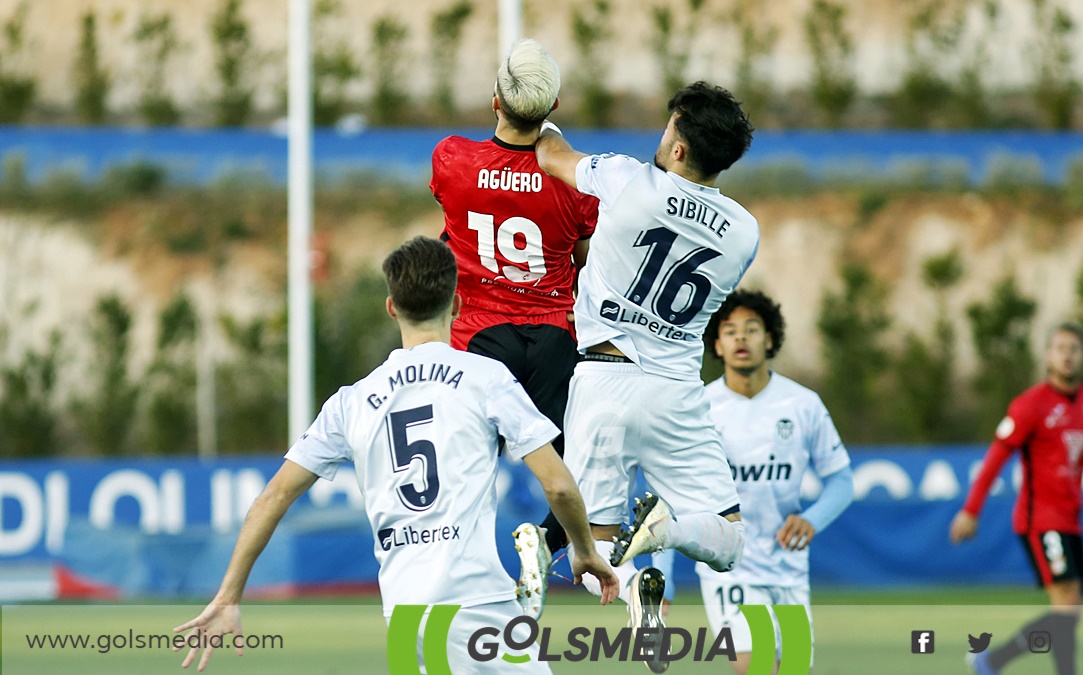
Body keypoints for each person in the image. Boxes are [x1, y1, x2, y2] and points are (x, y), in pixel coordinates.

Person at [173, 237, 617, 673]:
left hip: (404, 618)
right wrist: (583, 548)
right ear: (458, 305)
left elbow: (270, 500)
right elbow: (557, 484)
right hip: (476, 605)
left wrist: (228, 596)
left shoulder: (351, 400)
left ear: (391, 307)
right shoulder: (486, 379)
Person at [536, 81, 758, 670]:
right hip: (676, 392)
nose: (661, 138)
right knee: (730, 543)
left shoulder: (628, 180)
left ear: (680, 148)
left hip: (603, 382)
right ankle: (666, 534)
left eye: (670, 128)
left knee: (595, 554)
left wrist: (544, 112)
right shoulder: (744, 232)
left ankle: (635, 588)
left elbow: (550, 155)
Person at [429, 38, 598, 619]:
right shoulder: (574, 181)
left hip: (478, 338)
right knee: (569, 467)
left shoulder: (452, 159)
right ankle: (549, 547)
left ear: (494, 98)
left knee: (467, 472)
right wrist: (555, 146)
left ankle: (461, 581)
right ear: (553, 109)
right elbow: (582, 252)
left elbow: (455, 217)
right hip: (553, 334)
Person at [950, 322, 1083, 675]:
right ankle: (996, 662)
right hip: (1039, 518)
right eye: (1060, 348)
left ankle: (991, 660)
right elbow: (997, 455)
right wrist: (971, 510)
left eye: (1074, 348)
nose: (1067, 355)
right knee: (1067, 606)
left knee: (1070, 613)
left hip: (1071, 518)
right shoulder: (1031, 405)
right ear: (1047, 356)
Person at [700, 290, 853, 674]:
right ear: (716, 343)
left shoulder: (802, 404)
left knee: (795, 668)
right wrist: (665, 582)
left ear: (769, 339)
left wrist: (812, 519)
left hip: (788, 568)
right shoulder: (698, 409)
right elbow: (673, 500)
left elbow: (842, 481)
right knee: (758, 667)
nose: (741, 338)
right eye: (730, 330)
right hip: (730, 569)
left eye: (752, 329)